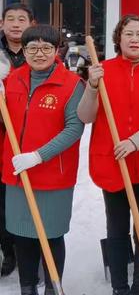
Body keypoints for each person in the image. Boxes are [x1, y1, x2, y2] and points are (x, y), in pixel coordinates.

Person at [77, 15, 139, 295]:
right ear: (118, 39)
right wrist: (92, 87)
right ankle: (119, 287)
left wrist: (135, 141)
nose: (134, 39)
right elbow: (85, 116)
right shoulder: (102, 70)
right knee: (117, 230)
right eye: (128, 34)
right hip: (113, 164)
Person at [2, 25, 85, 295]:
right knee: (22, 236)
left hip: (53, 176)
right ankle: (28, 287)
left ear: (57, 50)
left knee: (50, 235)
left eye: (46, 48)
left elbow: (74, 128)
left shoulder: (72, 84)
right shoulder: (12, 80)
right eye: (32, 48)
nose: (40, 54)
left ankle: (53, 287)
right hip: (17, 174)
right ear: (23, 51)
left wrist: (38, 156)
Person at [0, 3, 35, 277]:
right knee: (2, 199)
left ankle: (31, 250)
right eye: (9, 19)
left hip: (29, 135)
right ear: (1, 24)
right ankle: (8, 251)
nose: (15, 23)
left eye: (21, 19)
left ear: (31, 24)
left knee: (28, 196)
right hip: (1, 134)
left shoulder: (39, 51)